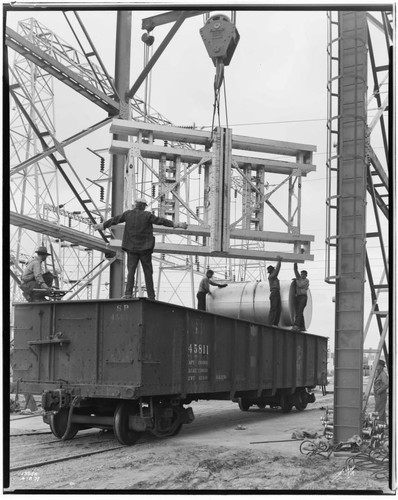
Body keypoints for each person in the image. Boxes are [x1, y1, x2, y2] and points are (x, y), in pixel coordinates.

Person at [94, 198, 188, 299]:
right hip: (145, 249)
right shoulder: (147, 215)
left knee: (131, 271)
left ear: (135, 205)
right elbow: (161, 221)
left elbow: (115, 220)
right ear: (143, 206)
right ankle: (151, 296)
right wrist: (176, 224)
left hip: (131, 248)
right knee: (148, 272)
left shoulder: (128, 214)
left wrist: (102, 225)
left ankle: (128, 294)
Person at [292, 263, 309, 331]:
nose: (302, 275)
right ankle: (302, 327)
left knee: (299, 311)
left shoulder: (306, 281)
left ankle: (296, 326)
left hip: (303, 297)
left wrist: (296, 280)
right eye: (301, 274)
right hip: (298, 297)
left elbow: (300, 285)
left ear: (306, 275)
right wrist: (295, 263)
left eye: (303, 274)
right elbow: (295, 270)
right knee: (299, 312)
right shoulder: (298, 278)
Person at [267, 257, 282, 326]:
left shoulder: (272, 276)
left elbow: (276, 271)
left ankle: (275, 323)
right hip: (274, 293)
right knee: (274, 309)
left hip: (276, 293)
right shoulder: (271, 276)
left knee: (278, 309)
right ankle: (271, 323)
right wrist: (279, 262)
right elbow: (277, 271)